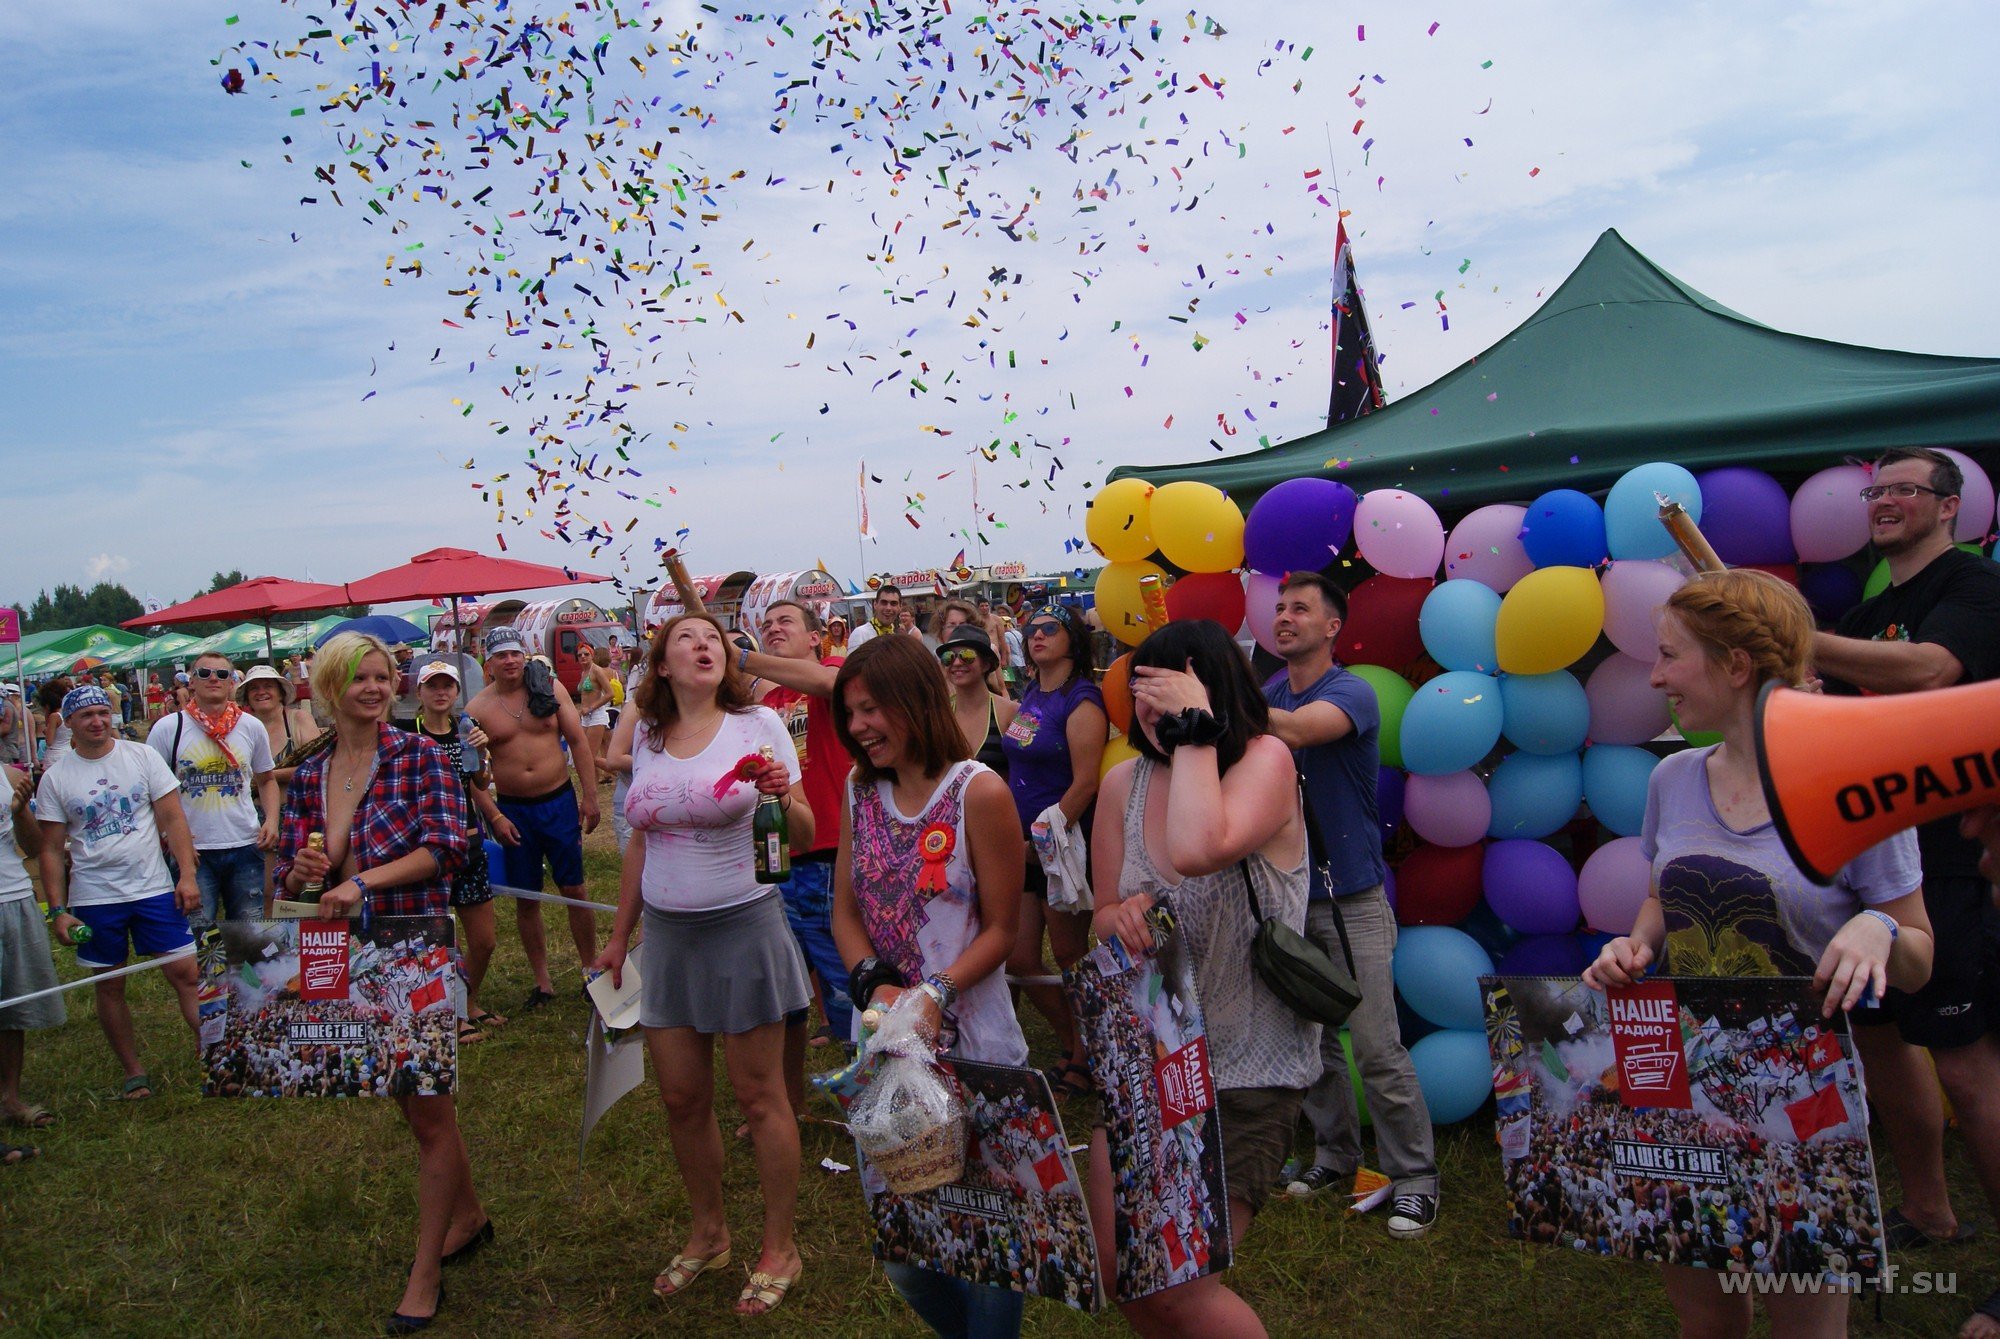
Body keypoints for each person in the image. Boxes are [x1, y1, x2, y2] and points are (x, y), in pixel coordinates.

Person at [1583, 568, 1936, 1338]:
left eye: (1670, 655)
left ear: (1735, 664)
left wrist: (1881, 928)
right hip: (1681, 1086)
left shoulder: (1857, 787)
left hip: (1804, 1106)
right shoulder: (1673, 778)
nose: (1653, 675)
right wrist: (1635, 944)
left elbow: (1919, 957)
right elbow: (1659, 896)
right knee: (1706, 1320)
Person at [1808, 447, 2000, 1339]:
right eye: (1874, 490)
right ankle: (1928, 1210)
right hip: (1871, 854)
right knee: (1881, 1040)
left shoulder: (1975, 586)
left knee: (1963, 1055)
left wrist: (1803, 641)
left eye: (1902, 490)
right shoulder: (1866, 610)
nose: (1882, 502)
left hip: (1955, 852)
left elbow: (1930, 674)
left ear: (1950, 506)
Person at [1089, 618, 1316, 1337]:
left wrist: (1196, 732)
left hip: (1244, 1068)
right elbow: (1099, 912)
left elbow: (1196, 847)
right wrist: (1123, 913)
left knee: (1183, 1285)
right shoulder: (1123, 781)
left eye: (1172, 698)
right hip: (1147, 1057)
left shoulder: (1265, 762)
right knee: (1122, 1269)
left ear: (1215, 695)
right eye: (1145, 701)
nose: (1153, 718)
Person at [589, 612, 813, 1316]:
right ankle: (709, 1231)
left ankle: (780, 1247)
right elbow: (639, 843)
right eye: (688, 638)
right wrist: (622, 935)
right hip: (670, 939)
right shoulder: (649, 739)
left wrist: (780, 793)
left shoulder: (759, 727)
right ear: (661, 664)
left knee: (759, 1096)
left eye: (713, 638)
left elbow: (803, 829)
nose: (704, 645)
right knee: (682, 1097)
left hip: (744, 928)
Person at [272, 631, 484, 1333]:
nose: (372, 687)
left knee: (425, 1106)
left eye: (381, 675)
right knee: (414, 1099)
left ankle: (424, 1274)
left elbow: (450, 844)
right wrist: (304, 875)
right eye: (357, 677)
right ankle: (471, 1216)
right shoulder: (308, 773)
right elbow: (294, 873)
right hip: (344, 951)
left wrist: (364, 878)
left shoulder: (418, 755)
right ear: (329, 688)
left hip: (411, 945)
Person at [829, 633, 1028, 1337]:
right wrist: (875, 986)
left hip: (973, 1039)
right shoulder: (860, 791)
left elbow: (1004, 927)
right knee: (907, 1247)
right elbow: (844, 908)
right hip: (886, 1041)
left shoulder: (979, 790)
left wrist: (936, 992)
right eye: (849, 712)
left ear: (914, 700)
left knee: (989, 1234)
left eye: (871, 708)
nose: (858, 727)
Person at [1260, 571, 1438, 1235]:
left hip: (1353, 896)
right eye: (1278, 607)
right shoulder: (1268, 692)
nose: (1284, 617)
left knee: (1375, 1046)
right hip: (1290, 896)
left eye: (1299, 608)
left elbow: (1302, 732)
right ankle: (1335, 1154)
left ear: (1332, 626)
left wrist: (1221, 699)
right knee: (1313, 1045)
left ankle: (1415, 1175)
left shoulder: (1350, 690)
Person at [34, 685, 204, 1101]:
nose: (97, 721)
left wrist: (186, 875)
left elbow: (173, 819)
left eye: (102, 712)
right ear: (68, 723)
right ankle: (134, 1073)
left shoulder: (141, 756)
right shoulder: (56, 777)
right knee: (109, 984)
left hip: (152, 887)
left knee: (187, 973)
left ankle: (214, 1055)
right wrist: (58, 910)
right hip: (95, 895)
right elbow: (51, 850)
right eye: (86, 715)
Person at [745, 600, 857, 1107]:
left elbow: (831, 686)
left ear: (817, 637)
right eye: (765, 626)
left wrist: (741, 658)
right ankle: (786, 1104)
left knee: (849, 972)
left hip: (834, 848)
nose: (772, 630)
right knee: (786, 981)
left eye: (784, 622)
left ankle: (877, 1097)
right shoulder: (767, 706)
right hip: (779, 850)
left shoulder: (834, 671)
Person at [1000, 602, 1105, 1099]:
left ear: (1072, 639)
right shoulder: (1030, 694)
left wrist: (1041, 845)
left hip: (1059, 846)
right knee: (1019, 958)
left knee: (1068, 953)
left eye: (1050, 628)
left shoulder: (1081, 698)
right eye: (1031, 629)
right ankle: (1077, 1041)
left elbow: (1085, 784)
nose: (1037, 635)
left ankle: (1087, 1058)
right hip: (1018, 846)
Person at [465, 625, 600, 1012]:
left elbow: (577, 741)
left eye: (514, 654)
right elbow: (470, 772)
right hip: (512, 810)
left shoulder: (550, 689)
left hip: (557, 801)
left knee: (574, 888)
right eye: (500, 656)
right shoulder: (478, 709)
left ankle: (590, 969)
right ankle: (543, 982)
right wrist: (493, 815)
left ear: (524, 656)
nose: (509, 661)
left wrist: (590, 797)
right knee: (527, 897)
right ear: (488, 663)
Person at [145, 651, 280, 928]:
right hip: (193, 849)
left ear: (232, 682)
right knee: (196, 929)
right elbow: (151, 791)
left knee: (250, 930)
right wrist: (168, 836)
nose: (213, 679)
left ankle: (244, 974)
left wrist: (272, 820)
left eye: (222, 674)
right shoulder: (168, 729)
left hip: (244, 842)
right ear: (191, 682)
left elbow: (267, 779)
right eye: (204, 673)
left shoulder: (251, 726)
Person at [410, 660, 507, 1043]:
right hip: (426, 850)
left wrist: (484, 754)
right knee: (436, 938)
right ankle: (448, 1014)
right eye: (432, 686)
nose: (440, 692)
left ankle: (469, 1000)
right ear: (419, 693)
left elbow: (480, 781)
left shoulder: (466, 729)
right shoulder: (408, 733)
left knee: (483, 940)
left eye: (447, 685)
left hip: (467, 844)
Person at [1, 759, 62, 1161]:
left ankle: (9, 1098)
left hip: (12, 897)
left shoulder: (7, 775)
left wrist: (21, 809)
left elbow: (34, 845)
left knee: (12, 1007)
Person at [938, 624, 1017, 779]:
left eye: (967, 656)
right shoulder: (941, 715)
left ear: (986, 664)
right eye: (949, 657)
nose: (957, 663)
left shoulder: (1010, 713)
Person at [237, 664, 324, 786]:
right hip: (252, 804)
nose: (261, 692)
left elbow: (317, 766)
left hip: (295, 803)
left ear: (281, 693)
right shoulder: (242, 726)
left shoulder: (299, 719)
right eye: (254, 688)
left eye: (268, 686)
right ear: (247, 697)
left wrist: (267, 776)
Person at [574, 641, 614, 775]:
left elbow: (610, 693)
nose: (583, 657)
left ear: (592, 655)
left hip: (597, 715)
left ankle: (621, 774)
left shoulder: (596, 670)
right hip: (586, 717)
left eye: (586, 654)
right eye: (580, 655)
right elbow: (585, 695)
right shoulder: (583, 672)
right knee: (584, 755)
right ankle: (593, 786)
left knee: (589, 757)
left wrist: (591, 708)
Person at [846, 585, 904, 652]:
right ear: (875, 604)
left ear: (900, 607)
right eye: (884, 603)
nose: (888, 608)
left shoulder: (899, 635)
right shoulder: (860, 634)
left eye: (893, 603)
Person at [34, 680, 70, 771]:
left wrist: (46, 730)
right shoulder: (67, 714)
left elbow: (49, 741)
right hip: (68, 752)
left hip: (54, 755)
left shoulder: (54, 716)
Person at [0, 685, 26, 767]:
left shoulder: (6, 706)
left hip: (7, 752)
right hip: (7, 751)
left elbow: (5, 729)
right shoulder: (6, 705)